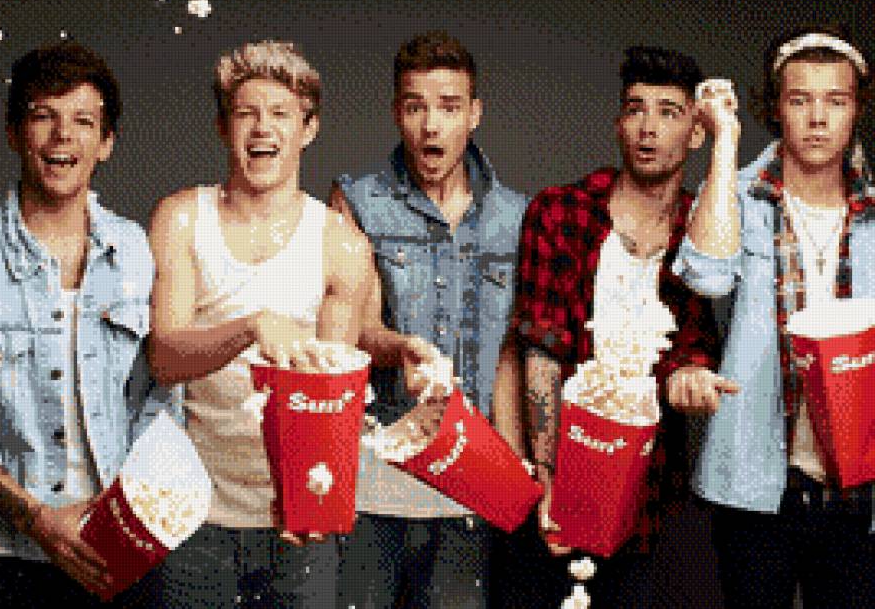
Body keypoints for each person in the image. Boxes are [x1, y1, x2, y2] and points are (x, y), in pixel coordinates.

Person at [145, 40, 374, 608]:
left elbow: (331, 402)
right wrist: (250, 326)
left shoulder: (342, 245)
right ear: (223, 128)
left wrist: (313, 506)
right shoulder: (181, 219)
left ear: (309, 128)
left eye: (280, 114)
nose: (262, 129)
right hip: (191, 511)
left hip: (293, 522)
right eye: (246, 114)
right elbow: (164, 359)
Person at [503, 46, 723, 608]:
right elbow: (541, 353)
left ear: (696, 133)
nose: (648, 128)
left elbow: (695, 346)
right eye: (635, 109)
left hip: (653, 491)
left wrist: (692, 377)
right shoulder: (562, 212)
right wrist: (548, 480)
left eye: (669, 112)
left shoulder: (700, 235)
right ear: (618, 123)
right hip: (563, 473)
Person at [675, 24, 875, 609]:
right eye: (799, 100)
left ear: (856, 110)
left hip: (859, 485)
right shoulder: (735, 195)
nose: (817, 119)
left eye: (835, 101)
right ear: (775, 108)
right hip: (756, 481)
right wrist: (724, 141)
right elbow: (708, 276)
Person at [330, 30, 529, 609]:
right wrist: (401, 349)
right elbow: (351, 330)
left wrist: (515, 462)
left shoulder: (516, 216)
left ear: (474, 114)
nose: (431, 126)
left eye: (448, 107)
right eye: (416, 107)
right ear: (397, 113)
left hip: (472, 474)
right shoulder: (357, 202)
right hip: (379, 473)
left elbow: (511, 354)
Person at [0, 41, 176, 608]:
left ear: (106, 142)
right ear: (14, 133)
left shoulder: (135, 250)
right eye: (44, 116)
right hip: (4, 557)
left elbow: (163, 396)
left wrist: (120, 509)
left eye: (83, 121)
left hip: (122, 549)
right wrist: (37, 519)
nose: (63, 136)